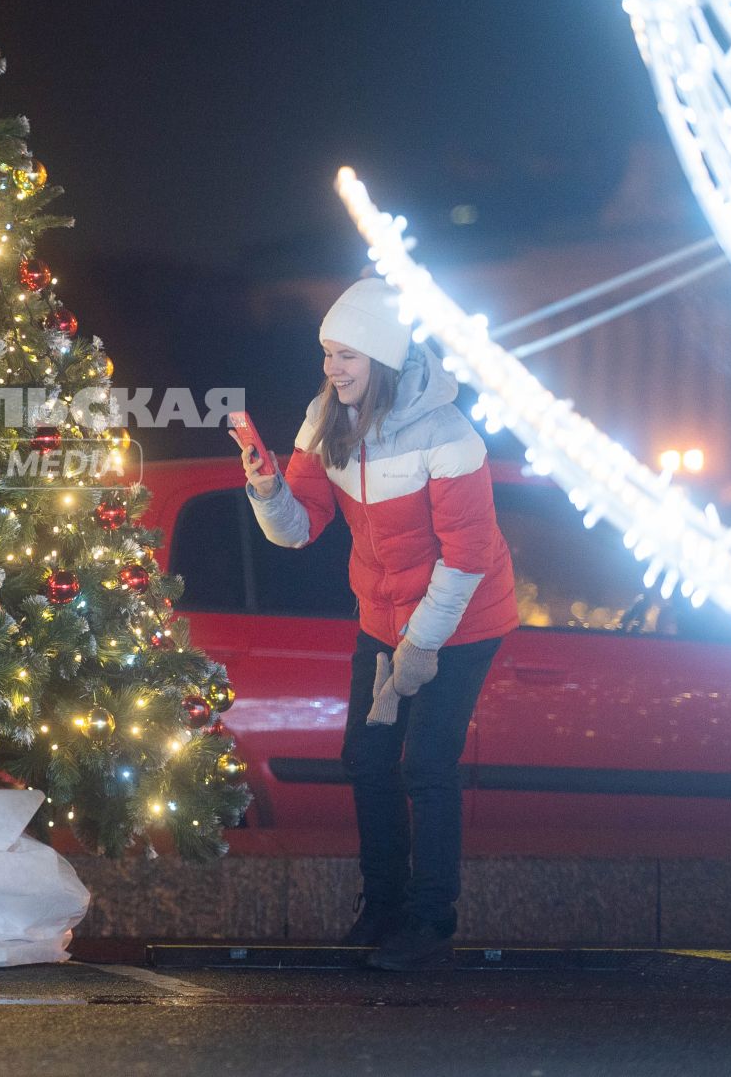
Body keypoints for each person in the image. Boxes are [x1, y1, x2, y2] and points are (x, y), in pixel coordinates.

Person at [237, 278, 516, 970]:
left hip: (464, 615)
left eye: (348, 356)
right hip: (383, 615)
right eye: (328, 353)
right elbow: (299, 530)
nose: (332, 368)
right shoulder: (327, 420)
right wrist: (268, 488)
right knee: (365, 757)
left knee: (424, 762)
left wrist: (423, 643)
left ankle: (430, 923)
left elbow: (470, 554)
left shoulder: (449, 435)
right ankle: (382, 908)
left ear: (384, 358)